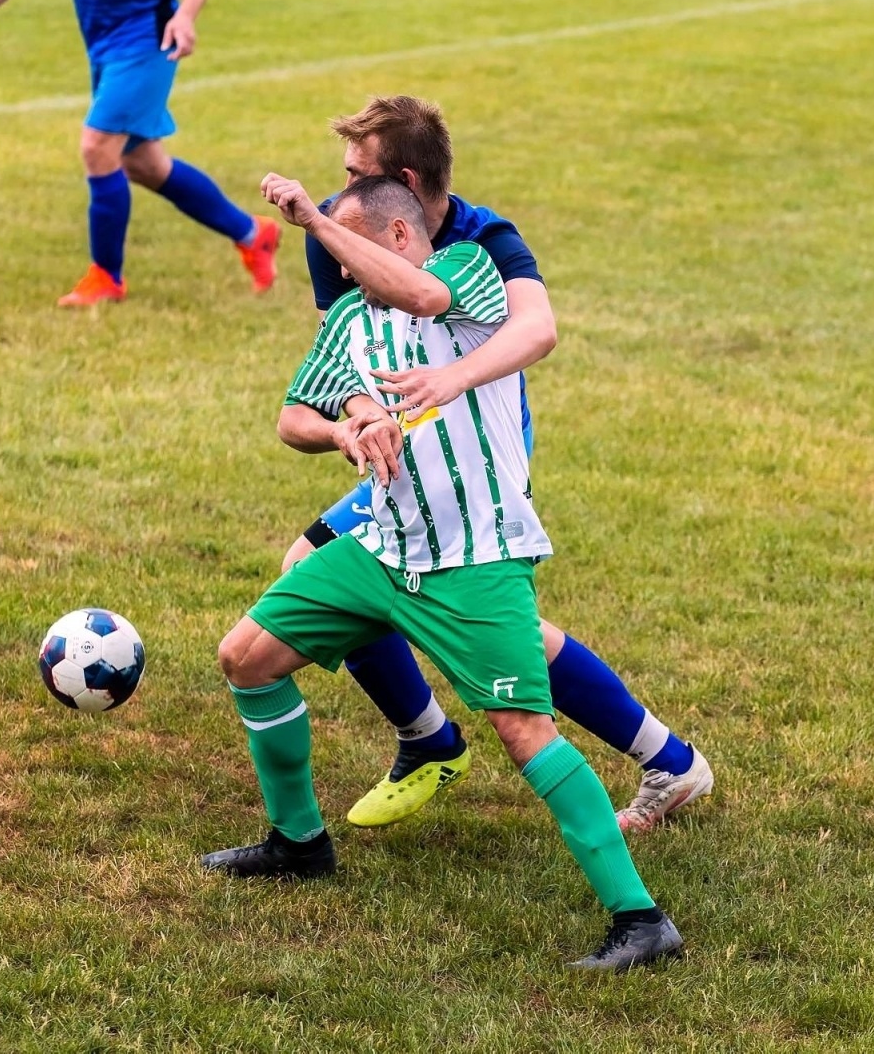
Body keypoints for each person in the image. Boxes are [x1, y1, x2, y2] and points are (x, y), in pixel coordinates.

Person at [204, 175, 683, 971]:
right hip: (382, 549)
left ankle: (640, 919)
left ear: (396, 236)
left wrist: (317, 221)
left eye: (351, 252)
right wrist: (347, 429)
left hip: (476, 556)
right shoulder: (352, 318)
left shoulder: (463, 276)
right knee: (246, 656)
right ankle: (299, 842)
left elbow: (421, 295)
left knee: (523, 728)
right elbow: (294, 414)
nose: (343, 273)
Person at [285, 97, 711, 833]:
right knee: (454, 607)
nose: (341, 188)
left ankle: (430, 740)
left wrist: (453, 380)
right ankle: (666, 758)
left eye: (358, 172)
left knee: (360, 578)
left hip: (480, 455)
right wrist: (357, 414)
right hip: (403, 452)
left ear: (407, 187)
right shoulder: (339, 228)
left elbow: (538, 328)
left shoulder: (484, 236)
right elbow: (342, 343)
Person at [0, 0, 280, 306]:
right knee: (144, 164)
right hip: (102, 42)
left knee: (97, 146)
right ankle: (253, 234)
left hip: (150, 37)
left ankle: (106, 276)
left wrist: (186, 15)